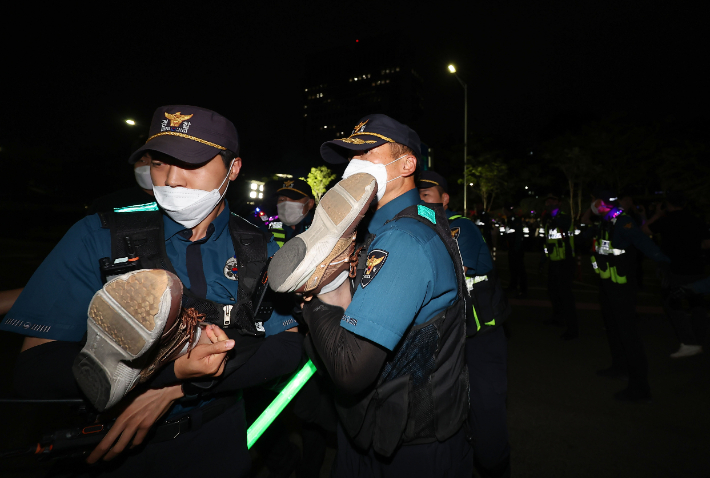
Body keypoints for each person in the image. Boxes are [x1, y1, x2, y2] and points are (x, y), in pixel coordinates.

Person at [0, 105, 303, 477]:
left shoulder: (260, 247)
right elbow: (34, 368)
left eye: (191, 163)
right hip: (111, 449)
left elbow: (288, 345)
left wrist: (182, 386)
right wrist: (167, 372)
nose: (172, 179)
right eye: (159, 162)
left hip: (216, 442)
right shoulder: (97, 236)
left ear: (233, 168)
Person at [268, 114, 472, 476]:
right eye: (350, 156)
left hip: (407, 449)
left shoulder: (403, 241)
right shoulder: (412, 221)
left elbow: (350, 370)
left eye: (366, 154)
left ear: (407, 164)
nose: (353, 166)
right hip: (384, 429)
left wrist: (316, 293)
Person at [419, 170, 511, 478]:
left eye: (426, 196)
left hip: (480, 335)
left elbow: (455, 270)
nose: (420, 201)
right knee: (451, 406)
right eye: (416, 196)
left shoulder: (461, 227)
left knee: (486, 406)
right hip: (449, 335)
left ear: (444, 199)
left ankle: (495, 466)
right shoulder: (422, 229)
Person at [584, 191, 670, 402]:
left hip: (621, 288)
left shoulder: (623, 222)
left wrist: (667, 263)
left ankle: (640, 387)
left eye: (595, 201)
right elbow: (598, 251)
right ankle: (619, 368)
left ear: (602, 203)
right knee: (614, 330)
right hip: (607, 286)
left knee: (629, 336)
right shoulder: (605, 222)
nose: (592, 205)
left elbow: (644, 243)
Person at [643, 191, 709, 358]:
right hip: (696, 267)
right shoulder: (696, 220)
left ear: (668, 204)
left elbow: (644, 230)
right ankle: (701, 341)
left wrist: (657, 214)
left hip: (674, 269)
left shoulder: (666, 220)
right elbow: (707, 243)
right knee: (697, 303)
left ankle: (689, 342)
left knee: (672, 302)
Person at [540, 193, 578, 339]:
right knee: (553, 291)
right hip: (553, 260)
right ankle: (558, 318)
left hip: (565, 261)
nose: (549, 203)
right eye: (548, 201)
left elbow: (562, 225)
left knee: (566, 295)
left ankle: (572, 329)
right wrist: (543, 259)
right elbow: (547, 241)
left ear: (559, 203)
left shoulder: (564, 217)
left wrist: (553, 215)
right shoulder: (547, 219)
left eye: (553, 200)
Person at [86, 151, 156, 215]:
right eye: (142, 160)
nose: (148, 166)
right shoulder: (107, 205)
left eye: (157, 163)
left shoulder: (166, 204)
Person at [269, 178, 315, 247]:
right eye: (281, 199)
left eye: (294, 199)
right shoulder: (268, 229)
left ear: (310, 204)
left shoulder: (319, 229)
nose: (286, 204)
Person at [504, 204, 528, 299]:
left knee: (520, 269)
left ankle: (523, 290)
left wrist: (516, 248)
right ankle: (513, 286)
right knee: (513, 269)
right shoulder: (510, 220)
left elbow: (517, 235)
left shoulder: (515, 220)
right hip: (512, 248)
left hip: (516, 249)